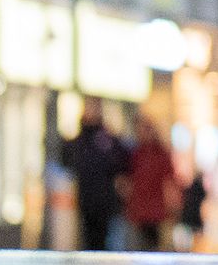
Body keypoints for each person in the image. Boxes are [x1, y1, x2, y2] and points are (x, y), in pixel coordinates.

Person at [60, 104, 132, 252]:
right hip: (86, 199)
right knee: (89, 240)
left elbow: (120, 162)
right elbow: (68, 161)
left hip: (104, 200)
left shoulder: (106, 140)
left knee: (104, 240)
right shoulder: (81, 141)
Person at [122, 114, 181, 251]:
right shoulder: (135, 154)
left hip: (157, 214)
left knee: (157, 251)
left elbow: (169, 183)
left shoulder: (162, 154)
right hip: (138, 213)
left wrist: (173, 207)